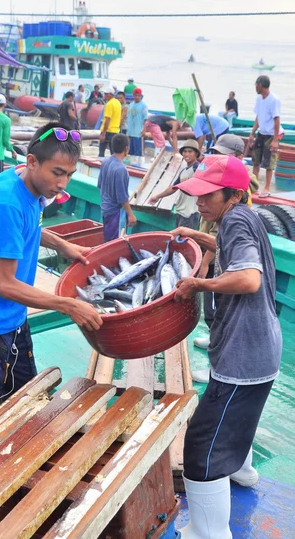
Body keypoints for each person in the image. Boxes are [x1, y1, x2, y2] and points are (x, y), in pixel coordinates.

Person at [0, 122, 103, 438]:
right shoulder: (5, 202)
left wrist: (62, 244)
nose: (63, 183)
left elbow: (26, 228)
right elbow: (5, 285)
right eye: (57, 172)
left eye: (70, 175)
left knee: (26, 398)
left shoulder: (27, 183)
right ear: (32, 161)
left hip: (13, 320)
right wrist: (69, 306)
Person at [171, 155, 282, 538]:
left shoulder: (234, 220)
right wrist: (200, 237)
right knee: (238, 421)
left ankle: (208, 532)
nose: (200, 203)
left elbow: (249, 279)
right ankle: (242, 469)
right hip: (261, 348)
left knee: (201, 446)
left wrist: (199, 285)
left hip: (243, 357)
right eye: (197, 195)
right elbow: (231, 246)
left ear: (233, 194)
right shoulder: (246, 214)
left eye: (207, 197)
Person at [191, 134, 259, 384]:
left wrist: (203, 276)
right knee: (215, 313)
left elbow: (250, 279)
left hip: (224, 265)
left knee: (220, 313)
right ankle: (215, 345)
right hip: (219, 257)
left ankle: (216, 369)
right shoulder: (222, 197)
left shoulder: (235, 214)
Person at [148, 139, 200, 230]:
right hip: (181, 212)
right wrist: (157, 196)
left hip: (190, 214)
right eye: (185, 151)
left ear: (196, 154)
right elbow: (173, 188)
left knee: (184, 241)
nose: (187, 154)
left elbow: (205, 171)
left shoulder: (197, 167)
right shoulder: (184, 171)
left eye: (190, 151)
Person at [249, 75, 284, 197]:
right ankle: (254, 186)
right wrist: (252, 133)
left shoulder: (274, 100)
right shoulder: (259, 99)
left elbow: (277, 119)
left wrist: (275, 140)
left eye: (256, 85)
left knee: (269, 162)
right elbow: (258, 117)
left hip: (271, 134)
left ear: (260, 85)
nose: (255, 88)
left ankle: (267, 188)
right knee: (256, 160)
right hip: (261, 132)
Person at [97, 133, 137, 242]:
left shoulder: (105, 162)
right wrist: (131, 214)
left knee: (108, 240)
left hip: (105, 209)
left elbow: (100, 186)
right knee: (114, 243)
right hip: (115, 213)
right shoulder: (121, 169)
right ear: (126, 149)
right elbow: (122, 198)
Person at [126, 88, 148, 165]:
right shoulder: (131, 105)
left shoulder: (143, 106)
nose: (137, 97)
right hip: (131, 132)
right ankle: (133, 164)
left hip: (138, 132)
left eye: (138, 96)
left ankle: (141, 166)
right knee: (131, 151)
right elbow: (128, 117)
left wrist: (144, 130)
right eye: (135, 95)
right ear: (133, 95)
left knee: (139, 152)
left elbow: (145, 119)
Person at [98, 87, 121, 158]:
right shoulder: (118, 103)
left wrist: (103, 133)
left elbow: (108, 119)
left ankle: (100, 165)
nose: (104, 96)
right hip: (115, 130)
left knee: (101, 151)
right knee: (113, 152)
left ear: (111, 94)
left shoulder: (109, 104)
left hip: (108, 130)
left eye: (106, 94)